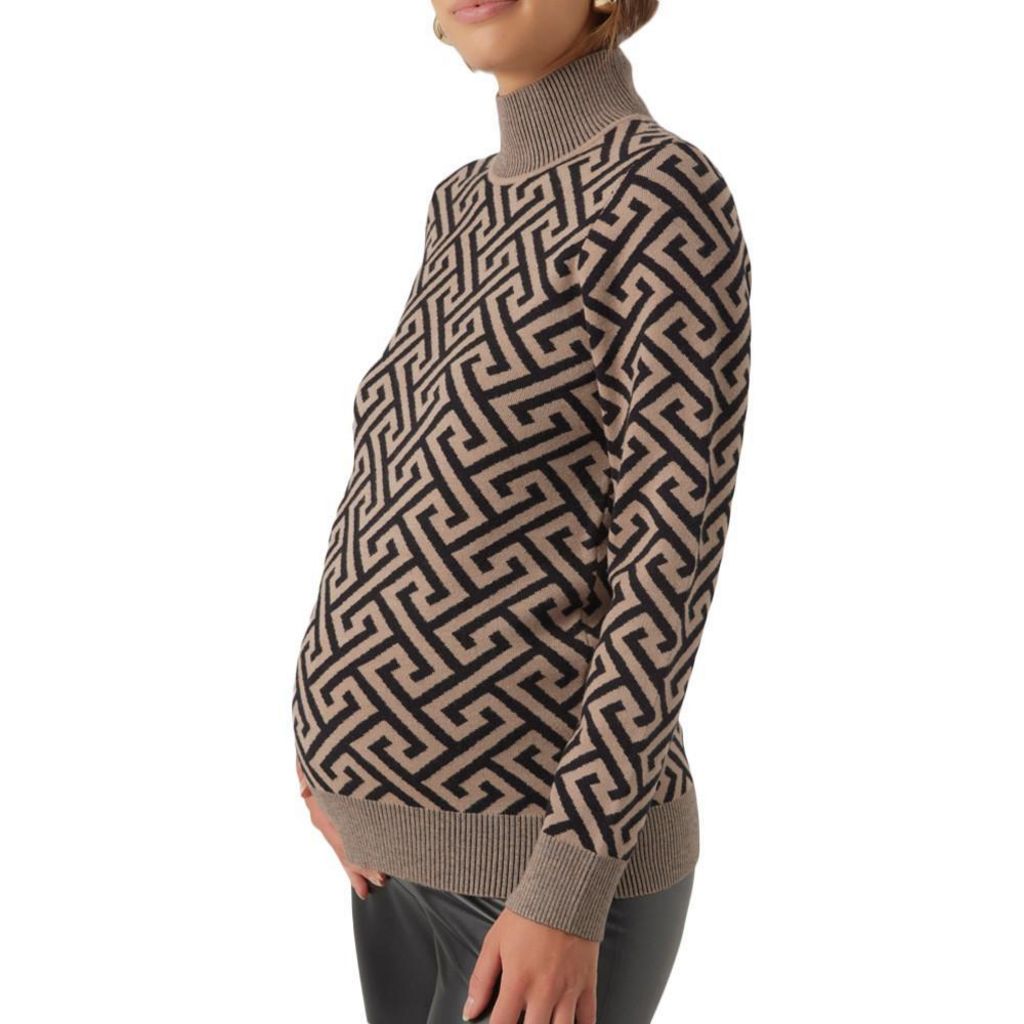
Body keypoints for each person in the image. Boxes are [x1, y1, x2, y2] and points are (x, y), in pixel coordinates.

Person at [293, 1, 752, 1021]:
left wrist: (565, 887)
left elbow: (665, 576)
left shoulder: (660, 193)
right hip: (386, 856)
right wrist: (330, 752)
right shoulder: (461, 203)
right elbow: (402, 483)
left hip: (539, 879)